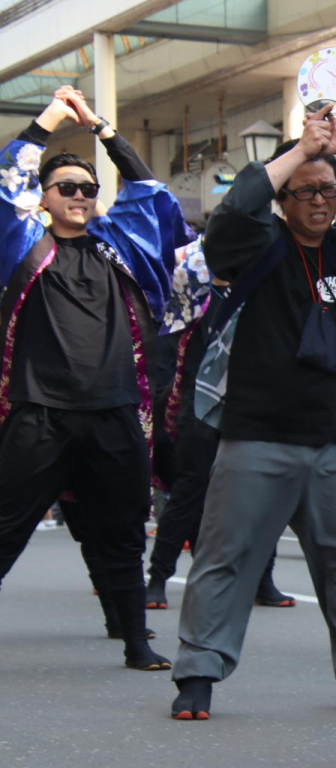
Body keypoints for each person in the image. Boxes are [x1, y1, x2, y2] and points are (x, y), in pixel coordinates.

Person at [168, 105, 336, 720]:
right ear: (284, 198)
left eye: (330, 191)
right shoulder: (258, 244)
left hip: (333, 438)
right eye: (306, 191)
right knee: (227, 555)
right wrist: (298, 150)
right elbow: (228, 219)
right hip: (257, 433)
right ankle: (198, 673)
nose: (321, 202)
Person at [0, 86, 193, 671]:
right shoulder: (22, 244)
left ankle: (136, 639)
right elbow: (6, 185)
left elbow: (151, 194)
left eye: (89, 188)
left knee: (121, 533)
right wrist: (50, 122)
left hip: (115, 411)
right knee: (6, 526)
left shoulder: (121, 247)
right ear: (44, 196)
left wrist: (104, 131)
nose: (81, 196)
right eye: (67, 188)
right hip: (38, 412)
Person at [144, 242, 295, 611]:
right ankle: (157, 579)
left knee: (264, 498)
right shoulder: (193, 295)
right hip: (199, 406)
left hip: (254, 408)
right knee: (188, 495)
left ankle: (263, 580)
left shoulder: (261, 293)